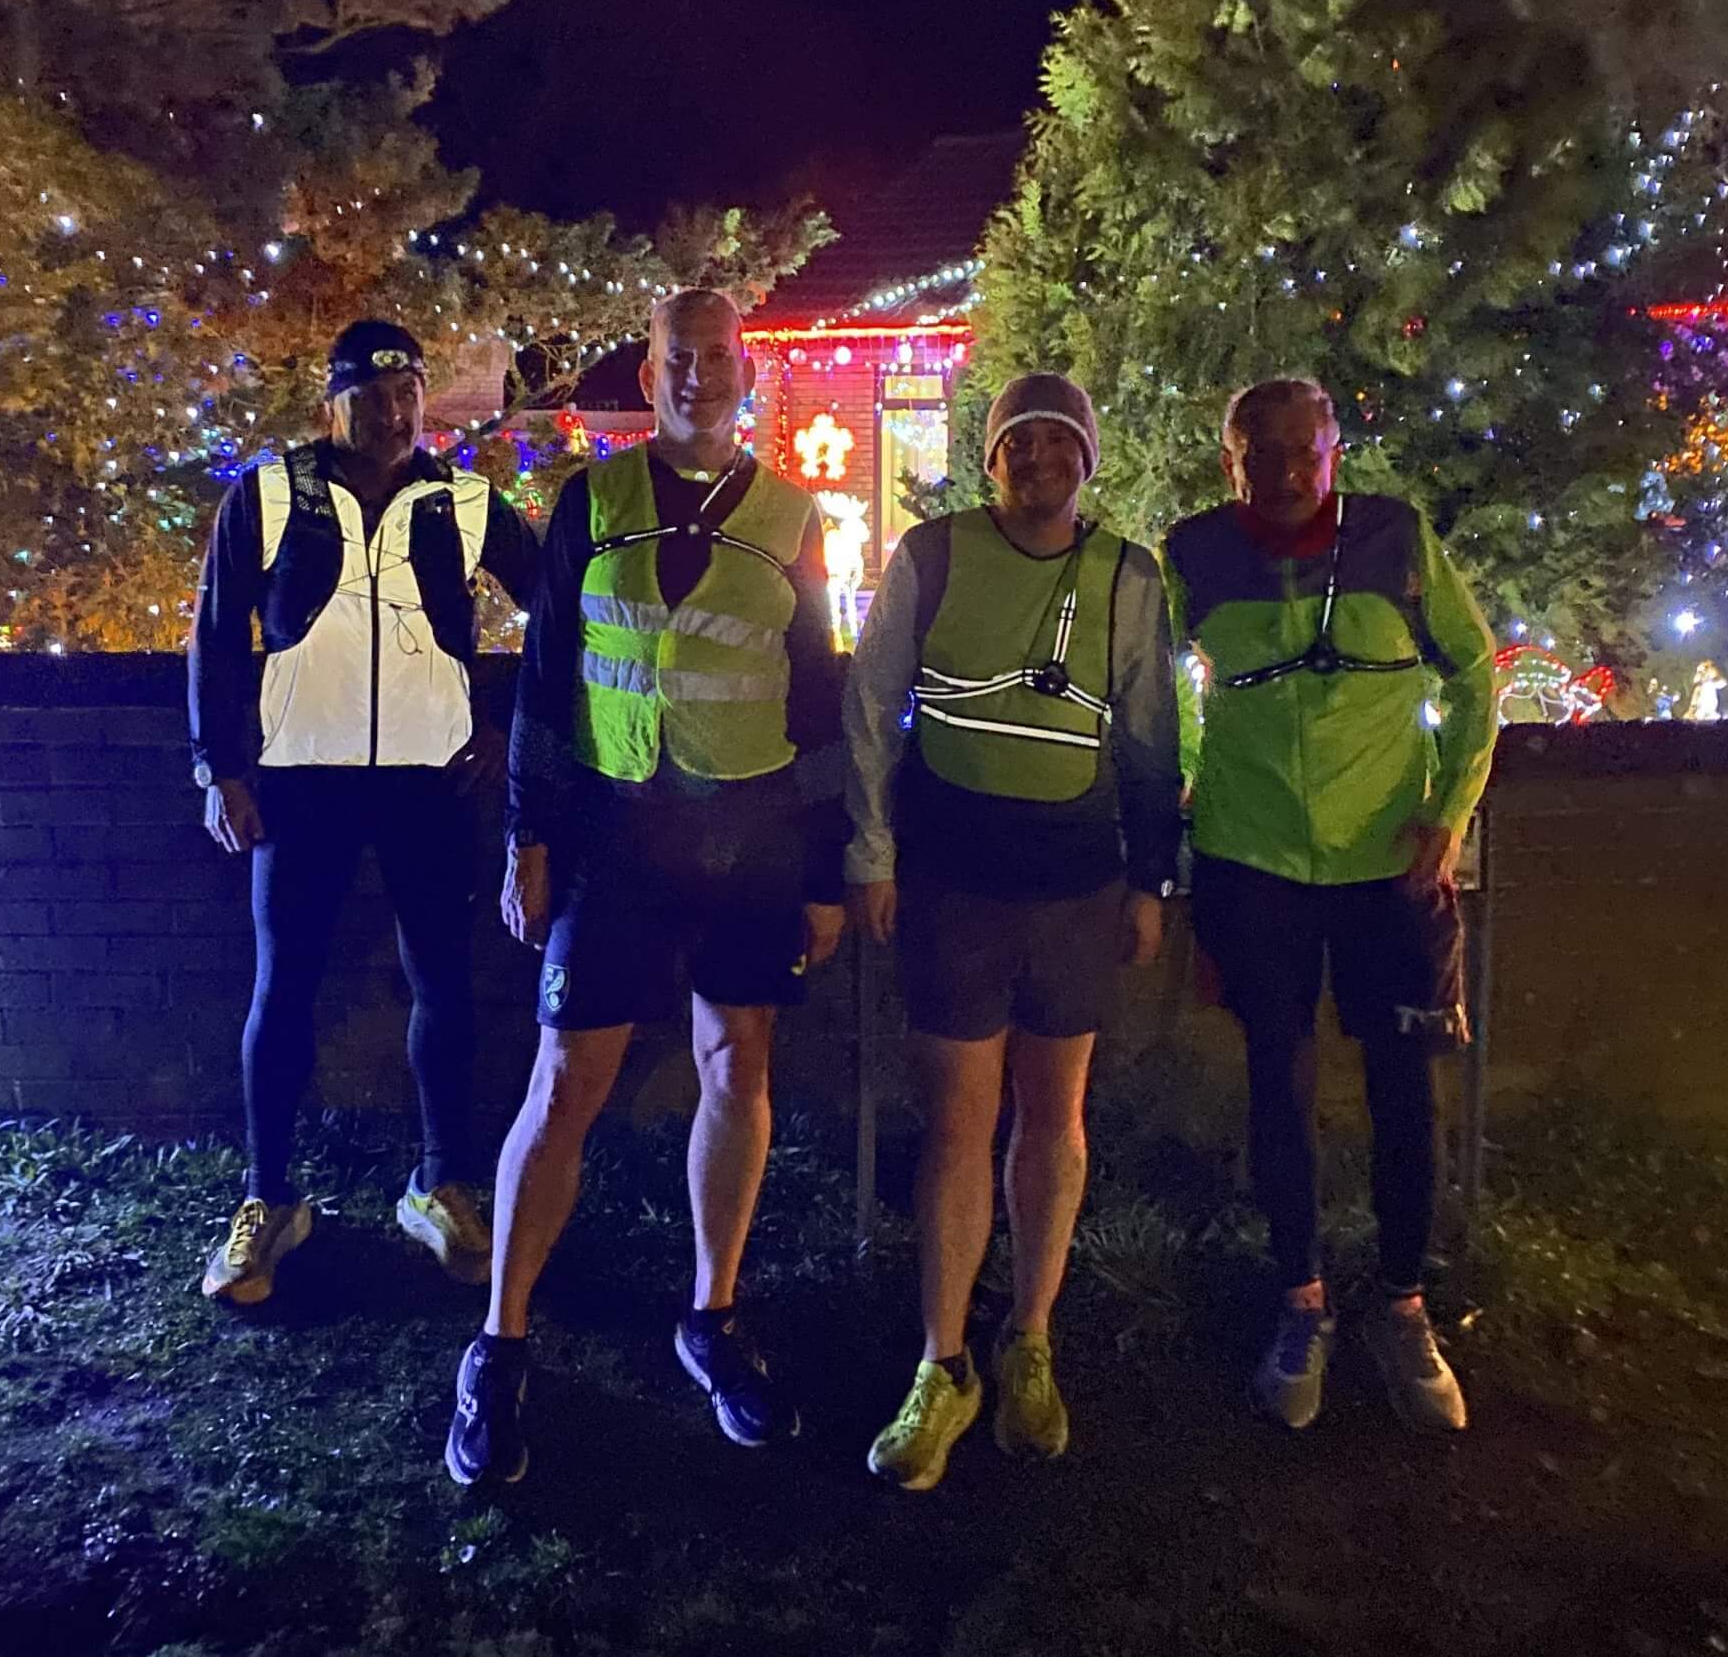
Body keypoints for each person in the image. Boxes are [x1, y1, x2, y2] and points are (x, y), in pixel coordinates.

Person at [445, 287, 847, 1486]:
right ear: (655, 367)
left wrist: (824, 866)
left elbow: (818, 694)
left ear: (745, 372)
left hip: (753, 835)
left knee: (739, 1066)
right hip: (616, 834)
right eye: (679, 357)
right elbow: (547, 680)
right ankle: (499, 1347)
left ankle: (710, 1316)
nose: (699, 376)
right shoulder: (592, 499)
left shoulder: (790, 514)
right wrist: (527, 836)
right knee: (565, 1080)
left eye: (718, 358)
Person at [844, 373, 1182, 1491]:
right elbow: (868, 708)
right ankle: (942, 1365)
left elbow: (1147, 737)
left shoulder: (1129, 579)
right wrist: (874, 853)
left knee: (1056, 1117)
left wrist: (1149, 881)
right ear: (988, 460)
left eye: (1058, 440)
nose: (1037, 457)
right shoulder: (932, 558)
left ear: (1089, 458)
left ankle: (1028, 1337)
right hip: (953, 881)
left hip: (1079, 885)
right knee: (955, 1125)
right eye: (1016, 442)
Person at [1163, 377, 1499, 1434]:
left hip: (1389, 862)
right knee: (1279, 1081)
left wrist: (1447, 809)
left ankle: (1403, 1304)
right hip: (1251, 856)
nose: (1281, 470)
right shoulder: (1194, 549)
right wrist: (1185, 781)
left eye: (1300, 449)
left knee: (1405, 1085)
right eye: (1255, 453)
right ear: (1229, 462)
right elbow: (1158, 680)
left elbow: (1479, 668)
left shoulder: (1396, 535)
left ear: (1334, 449)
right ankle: (1299, 1301)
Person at [187, 319, 540, 1306]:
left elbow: (557, 606)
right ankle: (267, 1202)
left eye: (407, 393)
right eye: (369, 395)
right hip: (302, 782)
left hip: (430, 781)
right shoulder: (266, 496)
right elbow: (216, 636)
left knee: (445, 985)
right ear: (329, 403)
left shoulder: (460, 500)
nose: (390, 413)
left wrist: (502, 723)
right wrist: (220, 769)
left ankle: (441, 1183)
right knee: (282, 988)